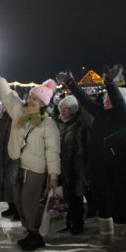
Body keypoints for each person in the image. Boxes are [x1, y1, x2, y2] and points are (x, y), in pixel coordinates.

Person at [58, 64, 126, 252]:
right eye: (106, 97)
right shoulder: (101, 113)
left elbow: (117, 100)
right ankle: (106, 239)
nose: (106, 100)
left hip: (115, 169)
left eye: (110, 98)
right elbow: (84, 100)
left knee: (117, 207)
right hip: (97, 168)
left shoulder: (125, 116)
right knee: (102, 206)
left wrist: (110, 84)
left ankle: (120, 242)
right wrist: (71, 83)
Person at [0, 58, 60, 251]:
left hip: (35, 170)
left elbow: (53, 152)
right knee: (19, 203)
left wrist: (54, 175)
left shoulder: (48, 124)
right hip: (16, 166)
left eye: (35, 100)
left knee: (29, 203)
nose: (30, 101)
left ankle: (36, 235)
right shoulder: (19, 112)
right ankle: (29, 231)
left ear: (43, 104)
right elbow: (7, 94)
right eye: (30, 97)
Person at [56, 95, 90, 235]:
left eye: (67, 109)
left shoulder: (80, 125)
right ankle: (66, 221)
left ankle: (77, 224)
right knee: (66, 197)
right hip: (64, 168)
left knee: (76, 199)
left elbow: (87, 147)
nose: (63, 111)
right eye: (61, 108)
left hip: (77, 169)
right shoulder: (62, 125)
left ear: (74, 110)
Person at [0, 108, 19, 220]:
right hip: (3, 156)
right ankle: (11, 207)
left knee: (15, 185)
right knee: (7, 185)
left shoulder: (17, 118)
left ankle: (19, 210)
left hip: (13, 156)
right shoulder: (2, 120)